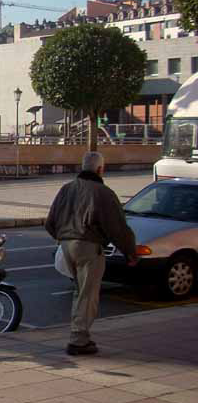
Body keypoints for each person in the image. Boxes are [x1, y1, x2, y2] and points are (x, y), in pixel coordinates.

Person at [45, 151, 138, 355]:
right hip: (88, 246)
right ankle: (79, 340)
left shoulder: (66, 189)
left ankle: (77, 334)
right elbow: (118, 228)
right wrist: (130, 252)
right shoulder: (103, 193)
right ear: (100, 169)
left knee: (80, 292)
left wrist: (62, 238)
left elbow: (49, 222)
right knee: (88, 295)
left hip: (66, 244)